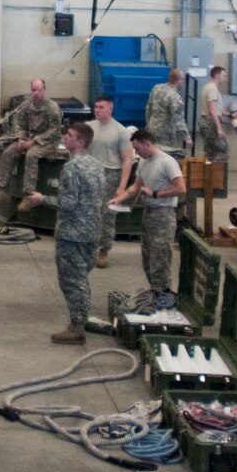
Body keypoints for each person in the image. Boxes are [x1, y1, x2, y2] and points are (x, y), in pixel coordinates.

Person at [20, 122, 103, 344]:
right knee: (82, 278)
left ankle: (77, 328)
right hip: (92, 230)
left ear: (80, 142)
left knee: (72, 281)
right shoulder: (96, 165)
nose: (65, 138)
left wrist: (41, 199)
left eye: (70, 136)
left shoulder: (72, 168)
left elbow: (67, 203)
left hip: (72, 233)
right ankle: (81, 319)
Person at [109, 130, 186, 304]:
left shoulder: (167, 162)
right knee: (148, 258)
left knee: (160, 258)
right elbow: (136, 187)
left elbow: (181, 188)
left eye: (137, 148)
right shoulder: (144, 161)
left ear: (147, 143)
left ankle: (163, 296)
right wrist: (117, 200)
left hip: (163, 215)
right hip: (149, 213)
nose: (136, 153)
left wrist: (157, 193)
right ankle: (156, 292)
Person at [0, 79, 64, 221]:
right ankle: (2, 187)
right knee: (9, 152)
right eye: (33, 90)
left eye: (39, 89)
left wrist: (34, 141)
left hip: (48, 141)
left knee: (32, 155)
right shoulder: (27, 105)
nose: (36, 93)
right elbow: (19, 124)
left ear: (44, 89)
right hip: (29, 139)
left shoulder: (52, 107)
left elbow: (54, 130)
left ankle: (28, 194)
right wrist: (20, 139)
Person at [84, 96, 134, 268]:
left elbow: (128, 159)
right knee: (88, 211)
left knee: (107, 214)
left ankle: (103, 250)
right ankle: (88, 247)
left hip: (110, 174)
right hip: (90, 172)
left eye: (101, 107)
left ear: (111, 109)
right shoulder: (89, 127)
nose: (97, 110)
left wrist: (122, 187)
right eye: (95, 107)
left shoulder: (121, 131)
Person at [144, 68, 188, 154]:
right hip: (166, 132)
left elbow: (148, 107)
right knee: (166, 154)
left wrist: (148, 124)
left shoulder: (156, 88)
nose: (183, 81)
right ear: (178, 80)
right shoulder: (174, 96)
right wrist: (186, 136)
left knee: (154, 152)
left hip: (153, 127)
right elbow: (177, 117)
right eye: (182, 79)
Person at [197, 65, 231, 177]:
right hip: (210, 123)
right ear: (217, 75)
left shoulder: (207, 87)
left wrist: (230, 114)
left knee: (210, 152)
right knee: (222, 151)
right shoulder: (212, 88)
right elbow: (212, 110)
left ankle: (205, 178)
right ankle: (214, 178)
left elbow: (216, 109)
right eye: (224, 75)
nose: (225, 78)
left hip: (205, 122)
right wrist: (219, 128)